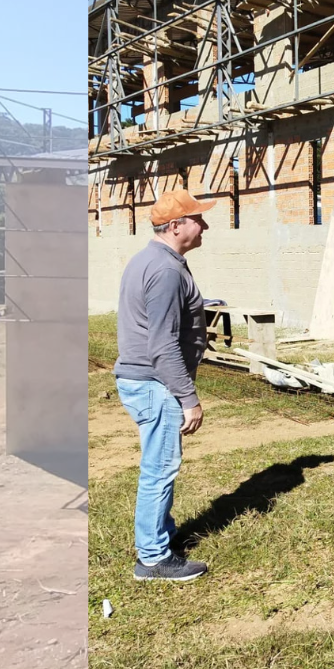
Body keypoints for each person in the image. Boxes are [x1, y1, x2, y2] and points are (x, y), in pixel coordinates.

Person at [113, 189, 215, 581]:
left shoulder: (150, 261)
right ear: (175, 227)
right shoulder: (167, 270)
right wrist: (188, 398)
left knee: (158, 464)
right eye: (197, 219)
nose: (204, 225)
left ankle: (161, 534)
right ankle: (153, 558)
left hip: (143, 381)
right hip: (155, 385)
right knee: (159, 468)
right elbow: (161, 343)